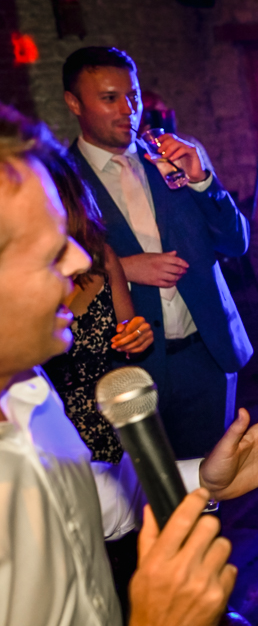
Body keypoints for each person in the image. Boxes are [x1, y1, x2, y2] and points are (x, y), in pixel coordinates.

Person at [0, 105, 258, 626]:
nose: (82, 263)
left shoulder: (28, 389)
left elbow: (102, 506)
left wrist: (206, 479)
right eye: (51, 251)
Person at [62, 46, 252, 459]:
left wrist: (203, 180)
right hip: (123, 367)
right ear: (74, 102)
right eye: (110, 98)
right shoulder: (61, 179)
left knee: (210, 489)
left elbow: (236, 243)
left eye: (133, 95)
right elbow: (52, 275)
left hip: (206, 354)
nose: (128, 109)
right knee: (149, 496)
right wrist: (124, 269)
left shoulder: (167, 154)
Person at [35, 130, 153, 464]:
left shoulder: (99, 257)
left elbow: (129, 331)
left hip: (108, 435)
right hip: (53, 439)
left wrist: (137, 337)